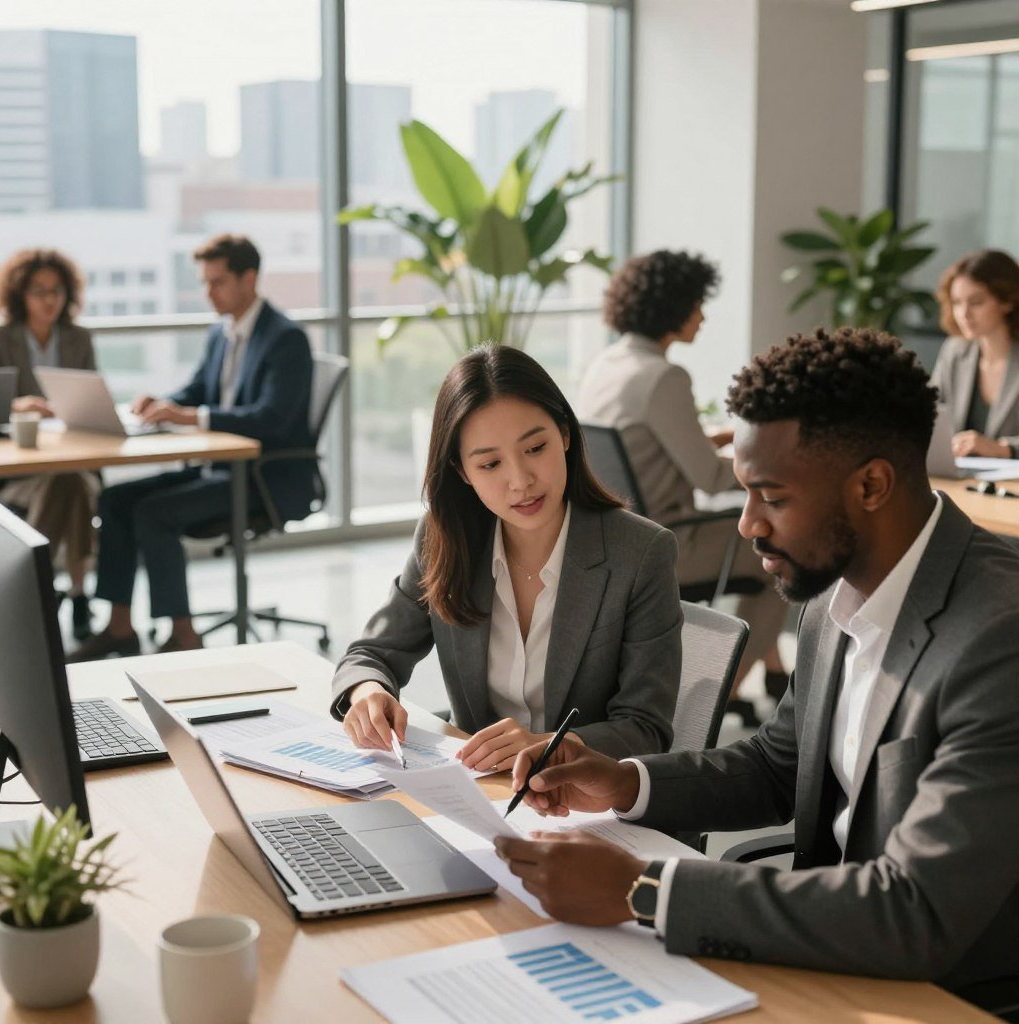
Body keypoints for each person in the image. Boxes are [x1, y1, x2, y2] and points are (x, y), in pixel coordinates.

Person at [497, 327, 1019, 1006]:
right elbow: (781, 764)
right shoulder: (837, 585)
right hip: (815, 955)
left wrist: (643, 890)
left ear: (871, 485)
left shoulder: (997, 639)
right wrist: (623, 781)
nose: (747, 525)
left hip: (941, 992)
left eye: (770, 497)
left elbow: (917, 912)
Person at [332, 344, 682, 770]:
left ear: (565, 435)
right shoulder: (443, 539)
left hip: (584, 804)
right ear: (462, 472)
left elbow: (646, 728)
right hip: (476, 796)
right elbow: (371, 654)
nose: (521, 481)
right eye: (491, 464)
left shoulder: (640, 553)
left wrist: (547, 745)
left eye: (535, 449)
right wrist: (369, 692)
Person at [68, 234, 314, 661]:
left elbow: (270, 420)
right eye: (205, 282)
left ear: (249, 278)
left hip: (264, 477)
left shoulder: (284, 338)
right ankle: (120, 625)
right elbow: (200, 387)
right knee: (115, 499)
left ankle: (184, 634)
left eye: (217, 282)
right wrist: (163, 403)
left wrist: (192, 417)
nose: (208, 292)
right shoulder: (223, 332)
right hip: (217, 467)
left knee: (153, 512)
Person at [577, 250, 789, 726]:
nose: (703, 315)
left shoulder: (608, 363)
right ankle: (715, 697)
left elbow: (645, 444)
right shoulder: (665, 376)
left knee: (757, 552)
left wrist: (716, 438)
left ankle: (773, 674)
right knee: (783, 552)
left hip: (618, 538)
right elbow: (712, 479)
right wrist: (764, 450)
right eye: (697, 303)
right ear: (674, 309)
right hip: (672, 541)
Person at [0, 248, 98, 639]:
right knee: (71, 488)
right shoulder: (0, 339)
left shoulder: (78, 339)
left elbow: (92, 404)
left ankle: (32, 591)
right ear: (20, 294)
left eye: (56, 290)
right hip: (20, 470)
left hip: (72, 458)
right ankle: (78, 593)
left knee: (70, 482)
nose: (49, 300)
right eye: (39, 291)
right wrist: (17, 406)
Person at [930, 248, 1019, 458]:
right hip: (961, 481)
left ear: (1007, 301)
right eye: (957, 303)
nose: (964, 314)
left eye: (976, 302)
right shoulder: (954, 351)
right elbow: (928, 416)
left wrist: (1003, 449)